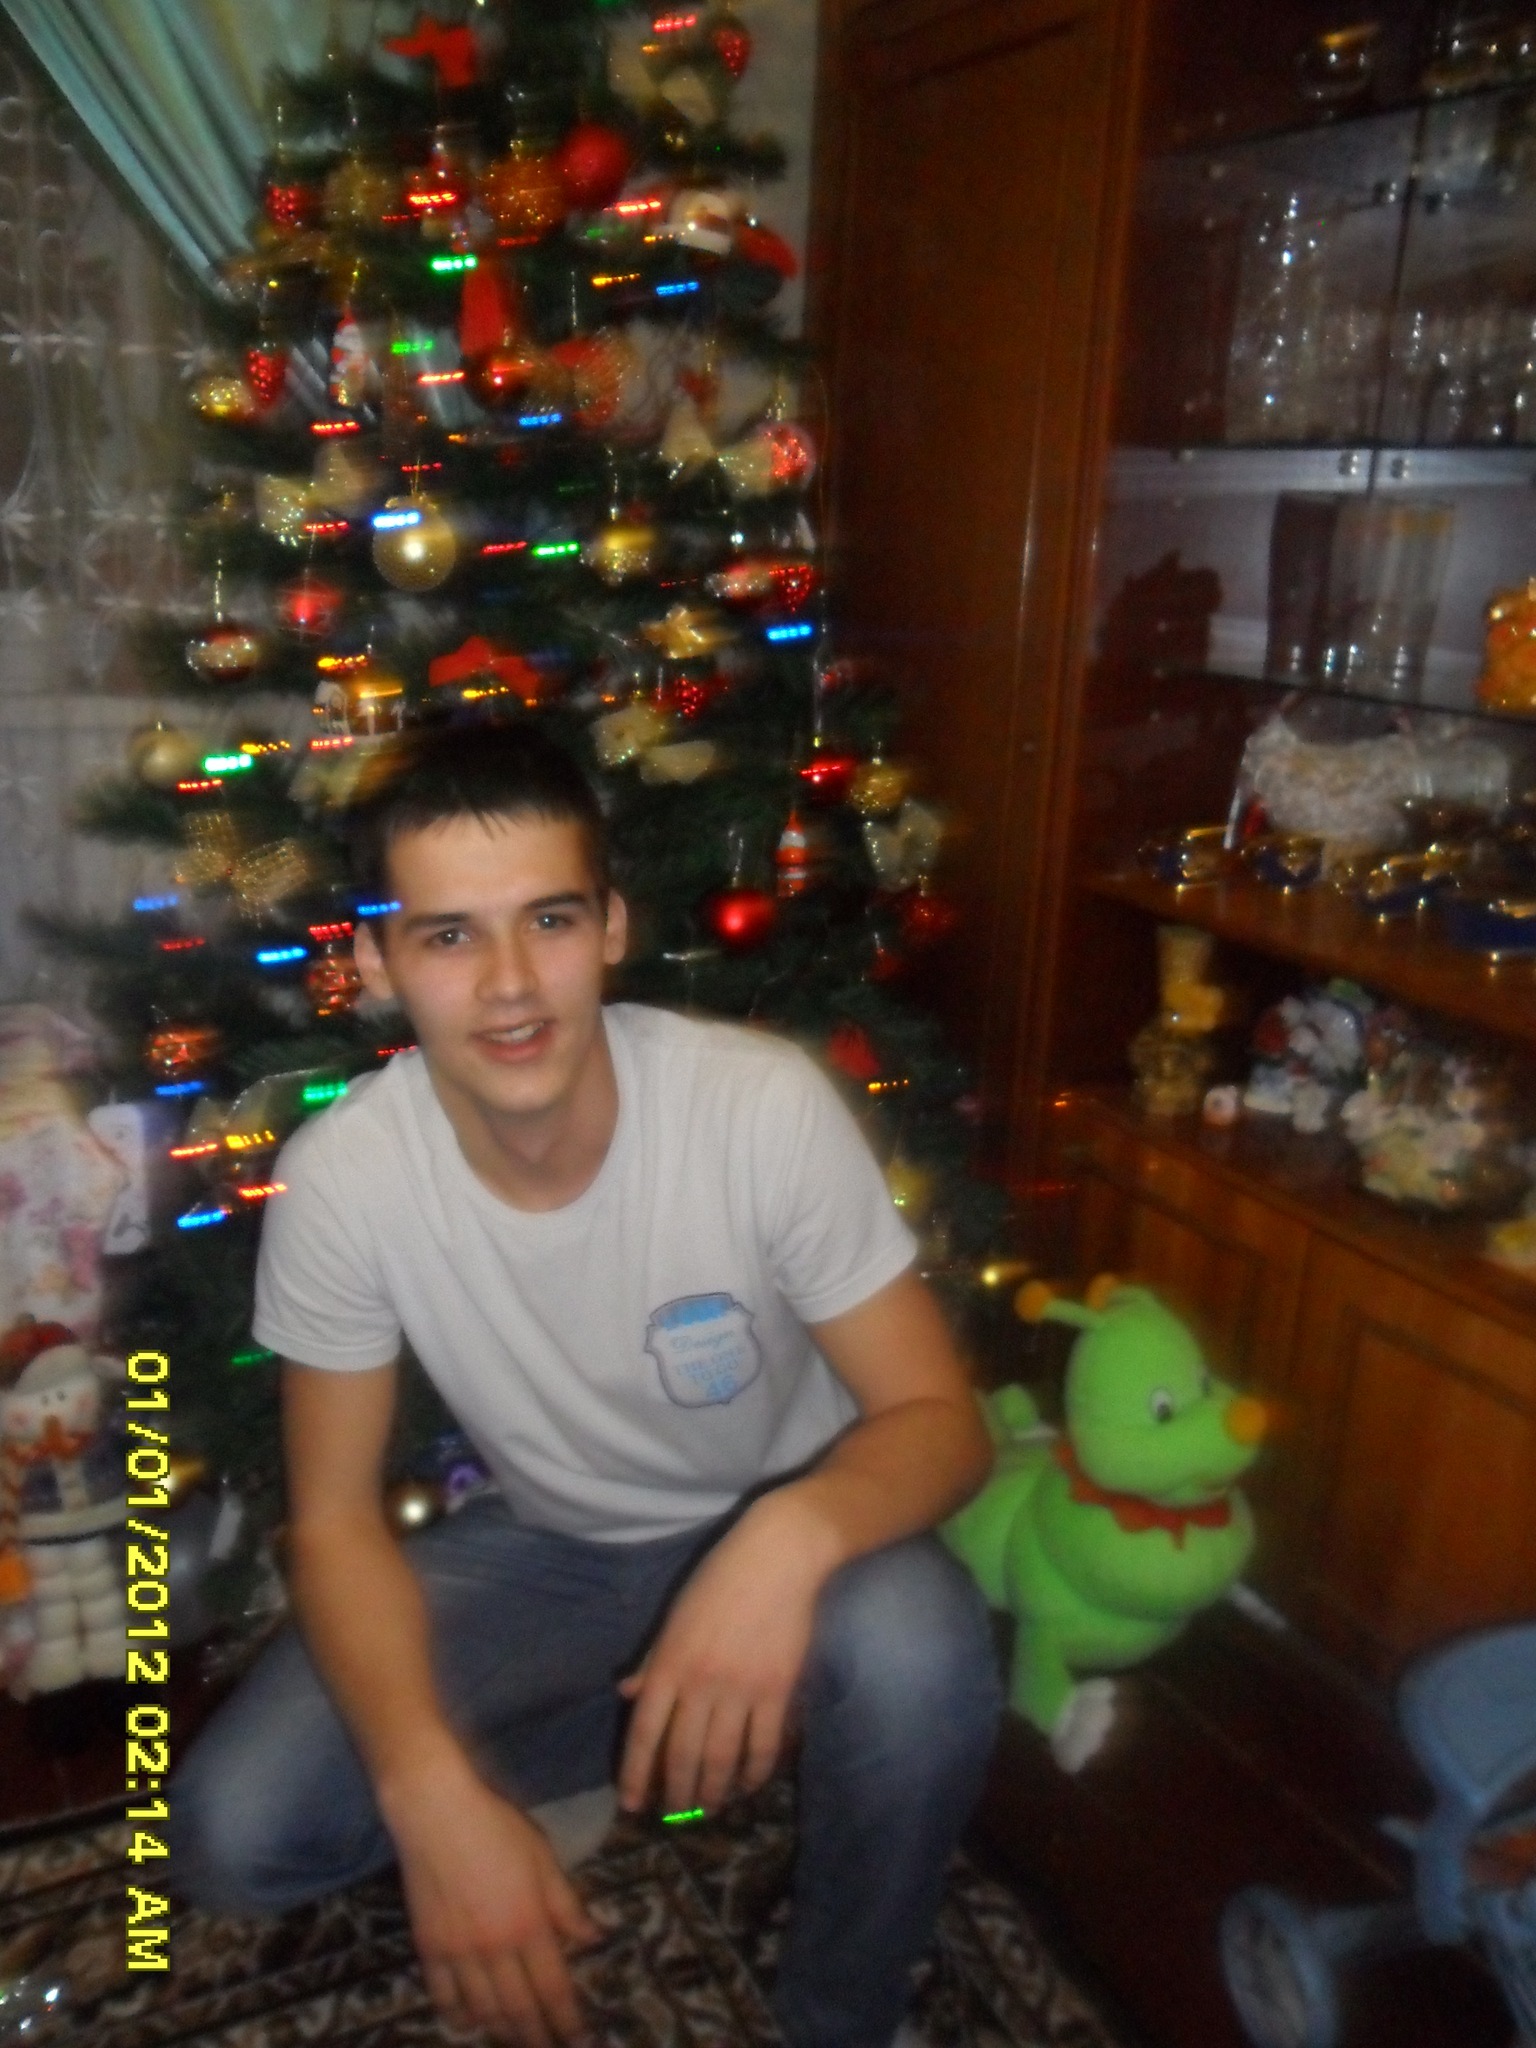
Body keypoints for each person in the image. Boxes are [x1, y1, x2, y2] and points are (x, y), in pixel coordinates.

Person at [169, 721, 1002, 2048]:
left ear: (611, 926)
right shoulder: (343, 1180)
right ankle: (677, 1732)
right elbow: (329, 1522)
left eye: (548, 920)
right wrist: (433, 1794)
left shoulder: (757, 1107)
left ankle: (836, 2013)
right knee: (231, 1835)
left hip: (806, 1535)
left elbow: (945, 1427)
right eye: (450, 936)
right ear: (377, 964)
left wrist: (787, 1536)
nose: (510, 986)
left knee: (919, 1652)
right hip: (553, 1547)